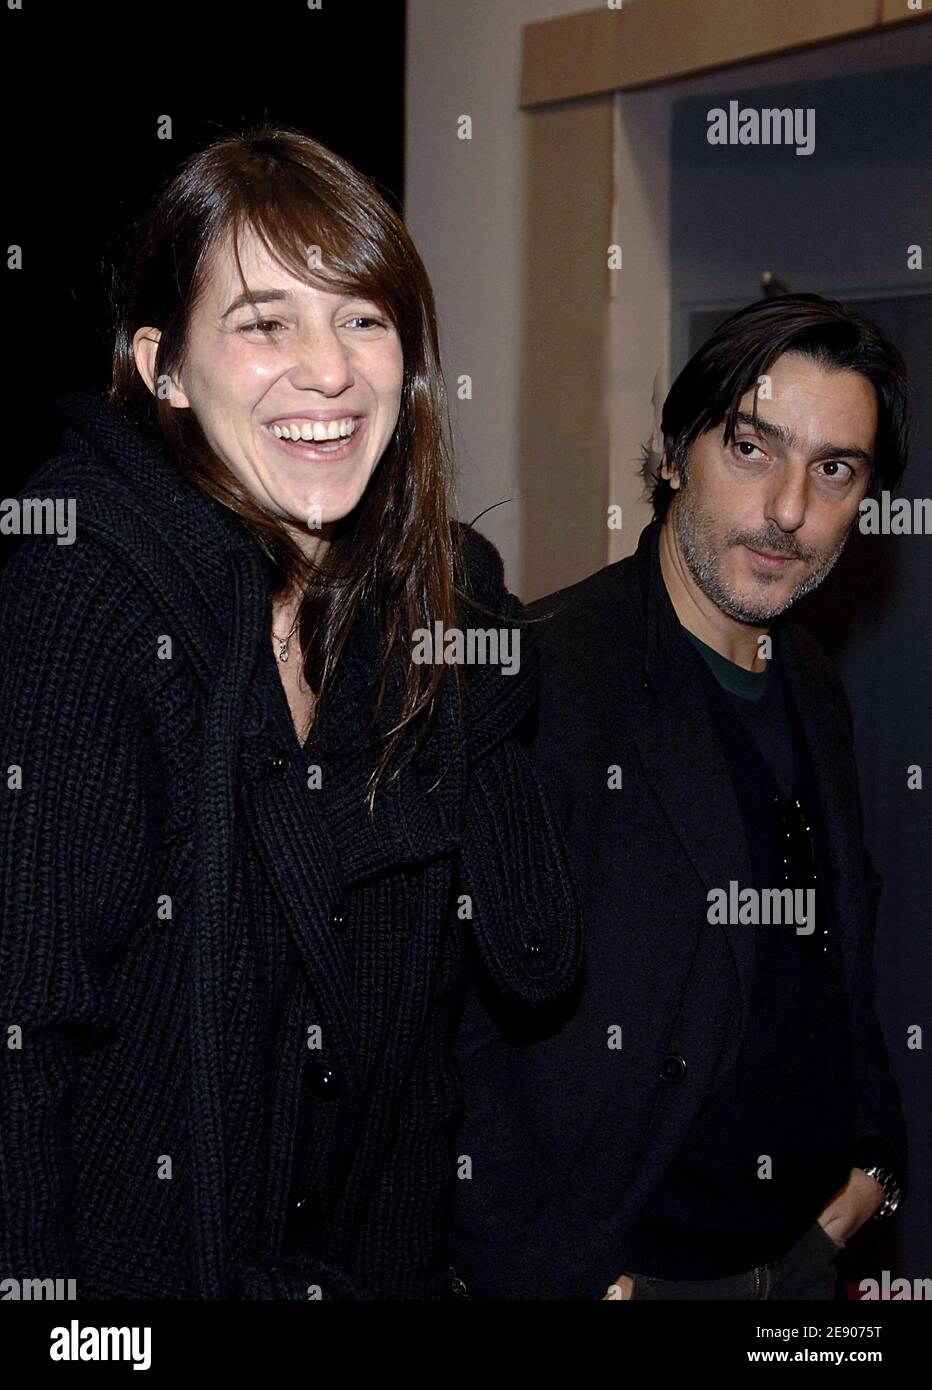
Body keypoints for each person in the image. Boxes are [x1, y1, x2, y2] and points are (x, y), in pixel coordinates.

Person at [0, 125, 580, 1301]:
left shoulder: (417, 609)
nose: (328, 369)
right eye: (265, 321)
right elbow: (22, 1039)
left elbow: (489, 997)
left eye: (363, 317)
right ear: (162, 367)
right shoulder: (87, 587)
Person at [449, 294, 910, 1300]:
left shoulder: (811, 684)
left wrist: (869, 1158)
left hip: (803, 1256)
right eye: (751, 448)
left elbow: (831, 947)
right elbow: (454, 1036)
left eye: (833, 469)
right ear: (669, 454)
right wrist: (565, 1275)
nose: (787, 508)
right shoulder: (544, 680)